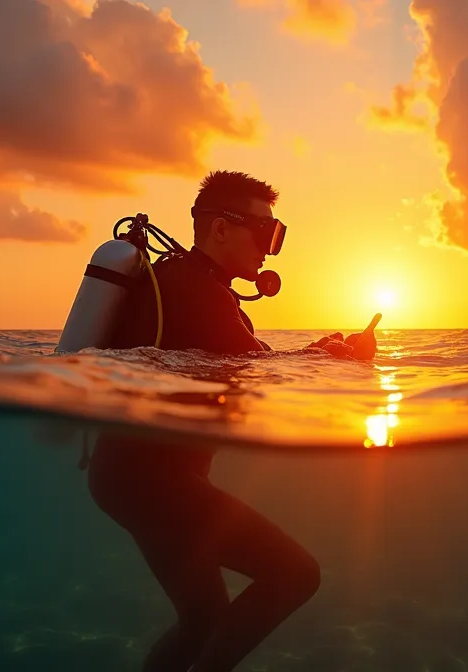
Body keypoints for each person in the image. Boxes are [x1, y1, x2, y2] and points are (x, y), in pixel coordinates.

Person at [86, 170, 377, 672]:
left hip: (126, 477)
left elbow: (251, 359)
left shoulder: (190, 283)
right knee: (294, 575)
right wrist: (339, 357)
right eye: (266, 232)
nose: (270, 248)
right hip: (153, 481)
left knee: (203, 619)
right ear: (220, 229)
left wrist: (327, 351)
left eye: (277, 234)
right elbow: (264, 370)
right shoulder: (199, 292)